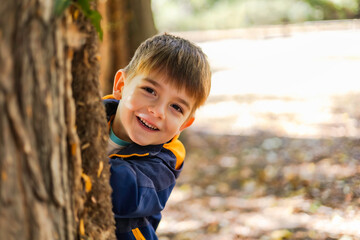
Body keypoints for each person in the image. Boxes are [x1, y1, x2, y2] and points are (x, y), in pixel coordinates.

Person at [103, 33, 211, 240]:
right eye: (150, 90)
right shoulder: (86, 115)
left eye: (176, 107)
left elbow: (124, 194)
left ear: (184, 124)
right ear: (121, 86)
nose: (158, 111)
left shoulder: (166, 161)